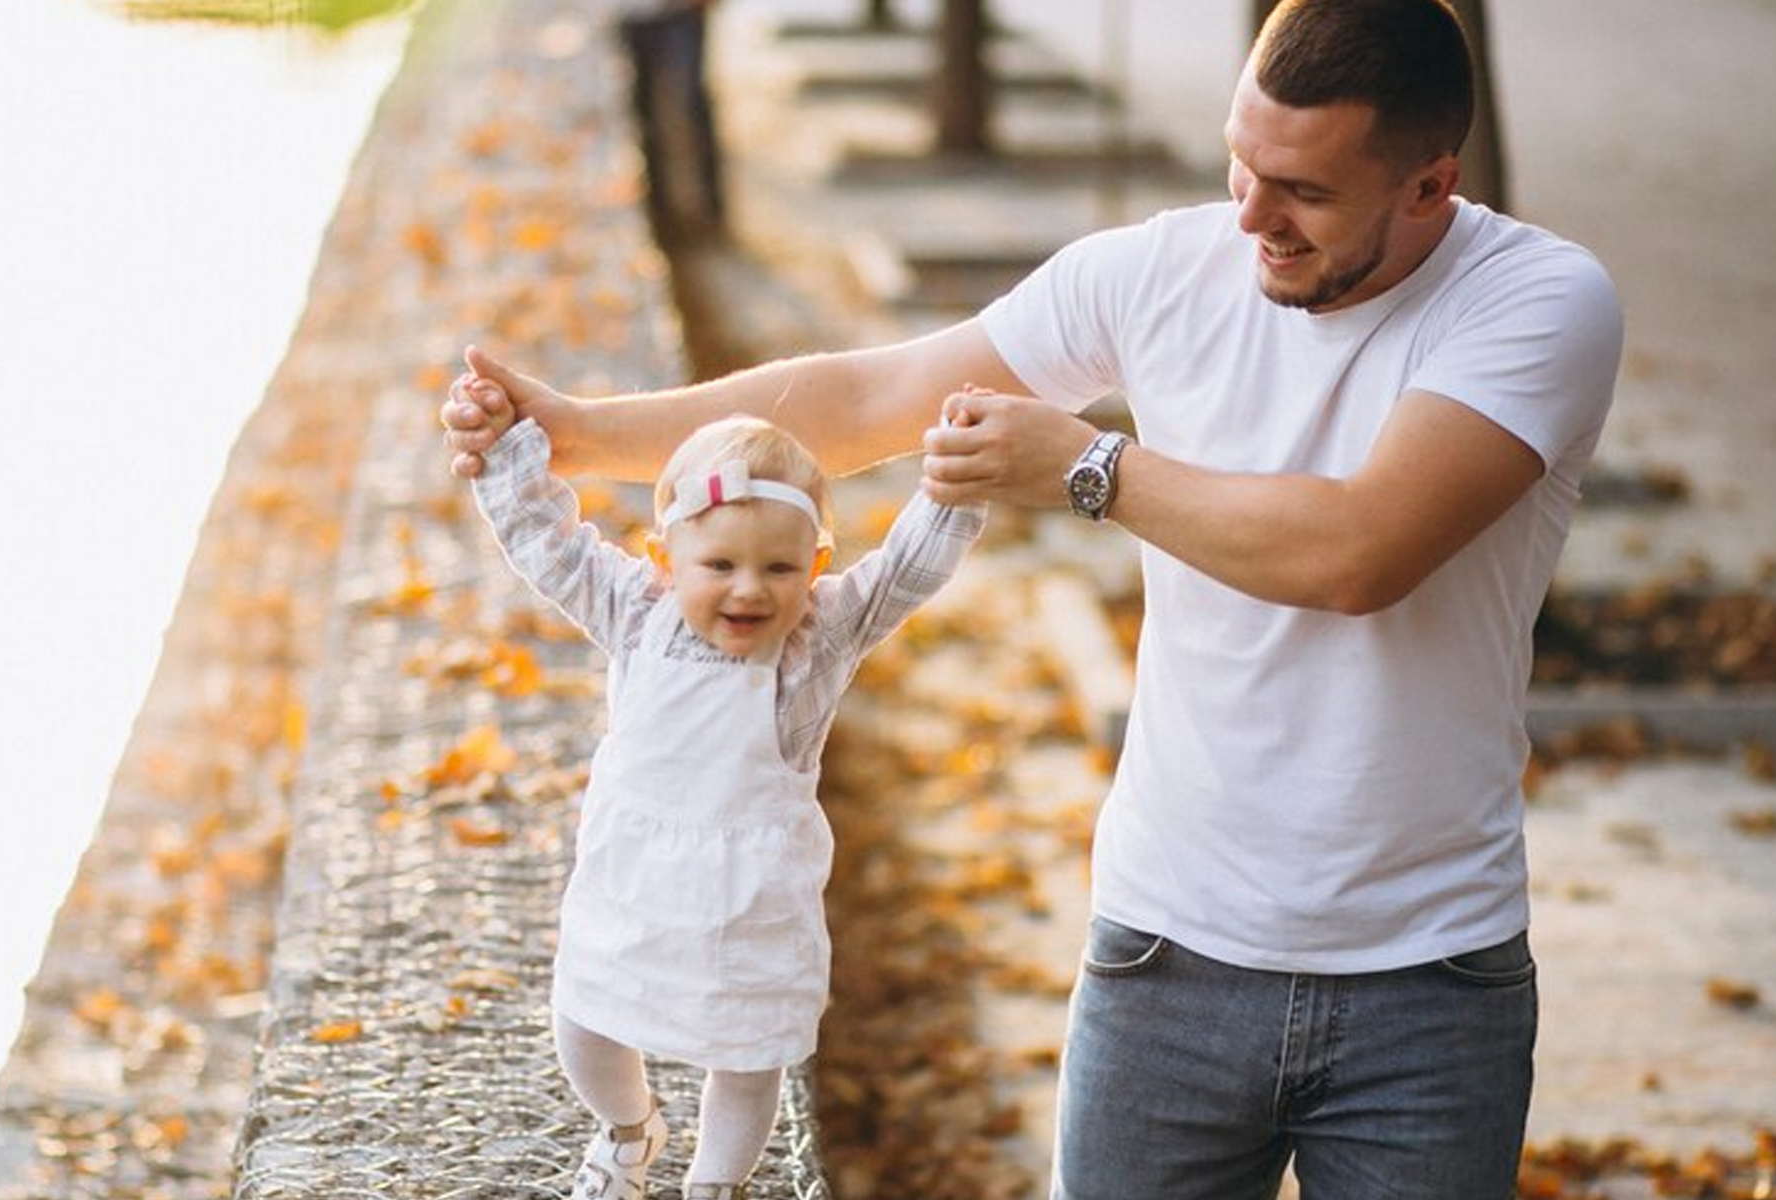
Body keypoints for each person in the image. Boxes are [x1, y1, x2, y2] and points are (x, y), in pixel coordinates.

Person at [445, 0, 1624, 1194]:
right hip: (1165, 955)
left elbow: (1359, 554)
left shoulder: (1538, 302)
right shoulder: (1162, 269)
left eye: (1304, 194)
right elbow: (864, 403)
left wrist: (1087, 467)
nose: (1252, 218)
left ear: (1431, 185)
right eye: (1241, 164)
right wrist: (577, 433)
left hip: (1429, 987)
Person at [459, 386, 985, 1200]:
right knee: (583, 1024)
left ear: (814, 568)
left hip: (752, 903)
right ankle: (629, 1129)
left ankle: (715, 1183)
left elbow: (904, 573)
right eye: (719, 566)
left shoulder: (817, 637)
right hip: (632, 886)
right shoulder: (639, 614)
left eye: (779, 567)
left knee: (747, 1057)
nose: (749, 590)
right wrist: (503, 453)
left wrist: (954, 479)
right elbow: (549, 545)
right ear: (666, 563)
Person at [613, 0, 726, 242]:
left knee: (686, 109)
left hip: (677, 13)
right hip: (628, 14)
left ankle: (707, 211)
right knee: (644, 118)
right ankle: (662, 215)